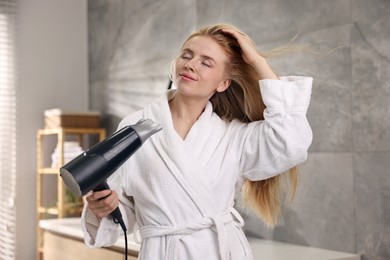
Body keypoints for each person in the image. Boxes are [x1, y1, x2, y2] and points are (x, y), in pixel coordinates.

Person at [81, 23, 313, 260]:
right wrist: (104, 208)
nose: (190, 64)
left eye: (206, 62)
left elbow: (291, 142)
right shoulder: (135, 127)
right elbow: (125, 208)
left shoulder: (233, 135)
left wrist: (257, 60)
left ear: (223, 83)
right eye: (186, 55)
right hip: (163, 252)